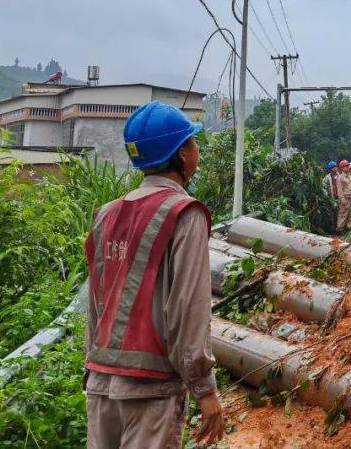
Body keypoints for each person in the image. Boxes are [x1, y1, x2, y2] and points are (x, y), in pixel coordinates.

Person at [85, 102, 224, 448]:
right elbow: (189, 310)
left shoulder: (106, 214)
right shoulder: (184, 215)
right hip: (152, 390)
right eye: (193, 144)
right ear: (180, 155)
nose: (198, 152)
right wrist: (205, 389)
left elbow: (95, 304)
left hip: (101, 384)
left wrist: (93, 370)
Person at [331, 160, 351, 233]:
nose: (348, 167)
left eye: (348, 166)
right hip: (345, 198)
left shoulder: (350, 176)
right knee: (343, 215)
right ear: (342, 168)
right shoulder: (340, 178)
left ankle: (349, 228)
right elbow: (339, 190)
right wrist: (342, 199)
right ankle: (339, 230)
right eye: (346, 166)